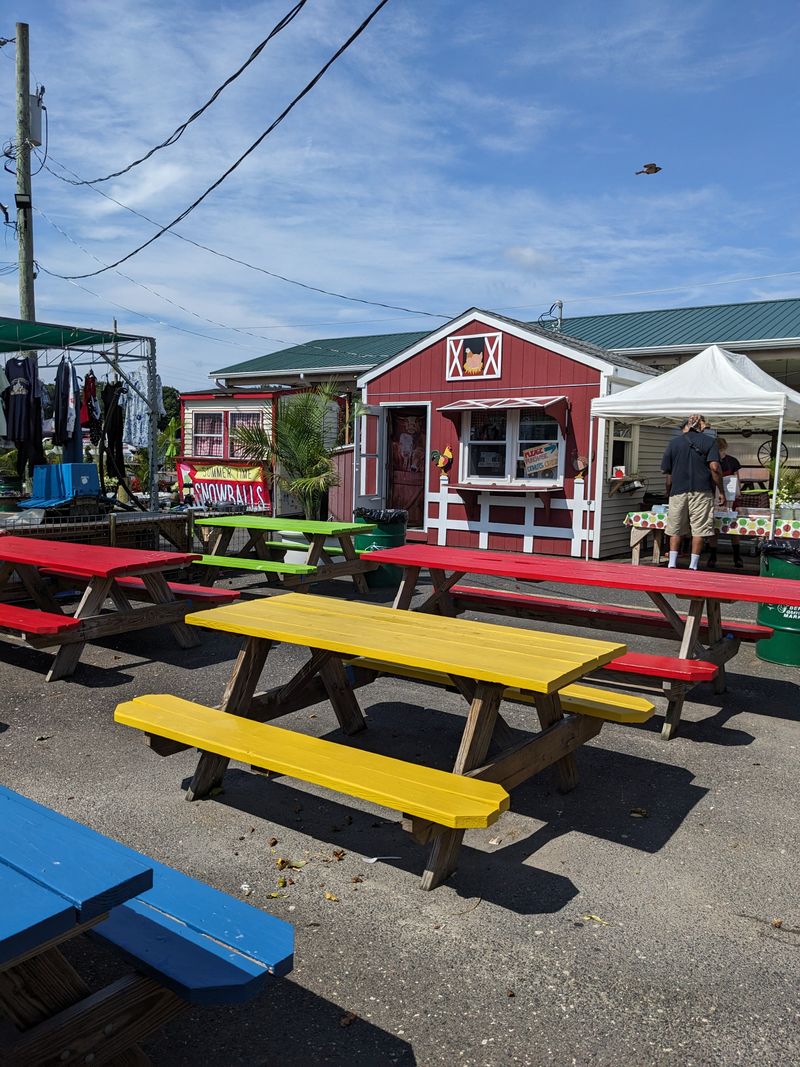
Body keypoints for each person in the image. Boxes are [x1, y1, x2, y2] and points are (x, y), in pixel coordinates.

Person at [660, 414, 724, 570]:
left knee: (675, 528)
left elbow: (668, 476)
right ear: (701, 426)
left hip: (677, 491)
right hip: (701, 491)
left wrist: (668, 492)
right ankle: (693, 566)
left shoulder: (674, 443)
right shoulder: (710, 442)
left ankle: (672, 563)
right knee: (699, 529)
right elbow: (715, 468)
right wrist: (721, 491)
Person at [708, 437, 743, 568]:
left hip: (731, 498)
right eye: (719, 451)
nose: (721, 453)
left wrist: (738, 492)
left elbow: (737, 479)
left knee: (734, 526)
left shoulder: (732, 461)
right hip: (714, 496)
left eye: (722, 450)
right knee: (714, 527)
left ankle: (737, 556)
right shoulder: (710, 461)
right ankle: (712, 556)